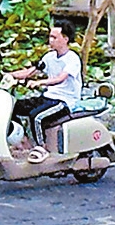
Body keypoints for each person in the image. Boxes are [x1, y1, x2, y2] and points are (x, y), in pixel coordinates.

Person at [9, 22, 91, 155]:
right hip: (48, 97)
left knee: (36, 117)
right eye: (50, 37)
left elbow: (60, 78)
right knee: (12, 107)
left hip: (64, 101)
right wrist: (9, 75)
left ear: (65, 39)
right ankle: (24, 142)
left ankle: (42, 149)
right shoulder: (49, 57)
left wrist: (40, 83)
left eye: (54, 37)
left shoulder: (72, 59)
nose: (50, 41)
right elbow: (30, 72)